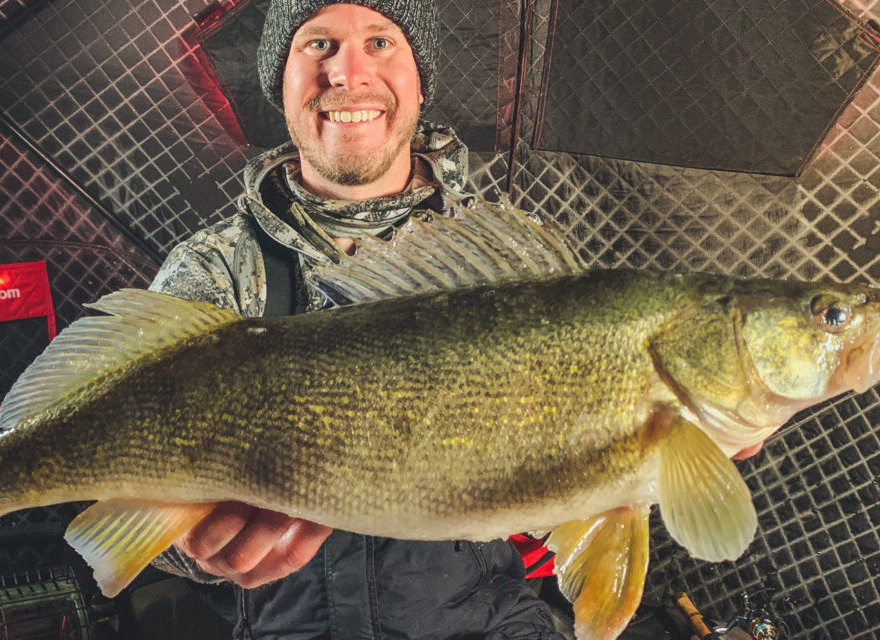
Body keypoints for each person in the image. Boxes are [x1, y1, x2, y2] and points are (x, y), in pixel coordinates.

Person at [145, 1, 565, 638]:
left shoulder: (510, 263)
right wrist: (191, 547)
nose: (347, 72)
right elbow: (138, 500)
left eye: (379, 42)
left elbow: (559, 509)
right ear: (279, 84)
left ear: (420, 80)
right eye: (317, 46)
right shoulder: (212, 273)